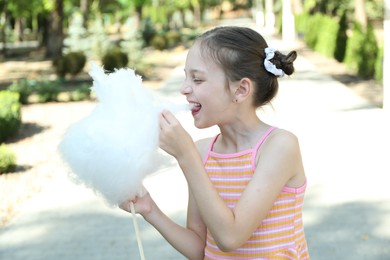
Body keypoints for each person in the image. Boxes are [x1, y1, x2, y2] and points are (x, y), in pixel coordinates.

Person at [120, 26, 310, 259]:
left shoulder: (279, 146)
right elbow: (200, 248)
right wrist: (150, 210)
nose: (184, 88)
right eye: (186, 76)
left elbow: (230, 237)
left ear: (240, 90)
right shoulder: (202, 152)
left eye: (197, 79)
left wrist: (186, 156)